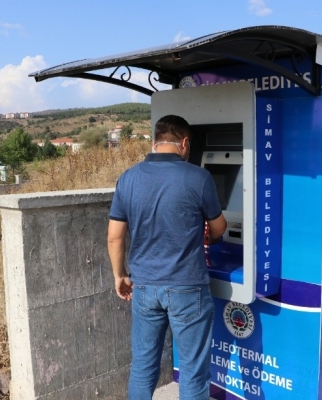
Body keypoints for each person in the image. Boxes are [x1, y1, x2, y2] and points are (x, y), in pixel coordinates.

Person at [107, 114, 227, 400]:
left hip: (144, 287)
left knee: (143, 366)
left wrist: (119, 275)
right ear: (184, 143)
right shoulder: (199, 177)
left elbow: (114, 236)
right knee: (193, 372)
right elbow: (219, 226)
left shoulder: (128, 178)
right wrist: (208, 238)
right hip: (188, 287)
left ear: (155, 142)